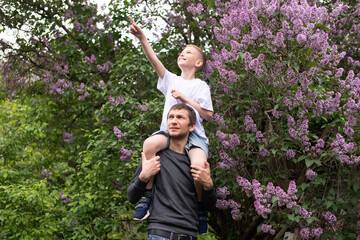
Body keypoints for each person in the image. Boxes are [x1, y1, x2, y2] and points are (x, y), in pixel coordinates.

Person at [129, 17, 214, 234]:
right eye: (181, 52)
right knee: (149, 144)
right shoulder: (171, 79)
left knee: (198, 166)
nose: (182, 53)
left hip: (194, 136)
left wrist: (185, 98)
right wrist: (142, 38)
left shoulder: (200, 85)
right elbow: (154, 60)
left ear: (198, 63)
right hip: (168, 132)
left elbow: (207, 114)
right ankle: (147, 198)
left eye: (188, 52)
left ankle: (199, 208)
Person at [127, 103, 217, 240]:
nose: (174, 121)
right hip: (160, 232)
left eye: (180, 117)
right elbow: (132, 197)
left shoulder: (197, 160)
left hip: (189, 234)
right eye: (171, 117)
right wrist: (143, 177)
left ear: (191, 126)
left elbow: (209, 206)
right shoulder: (155, 156)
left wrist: (208, 186)